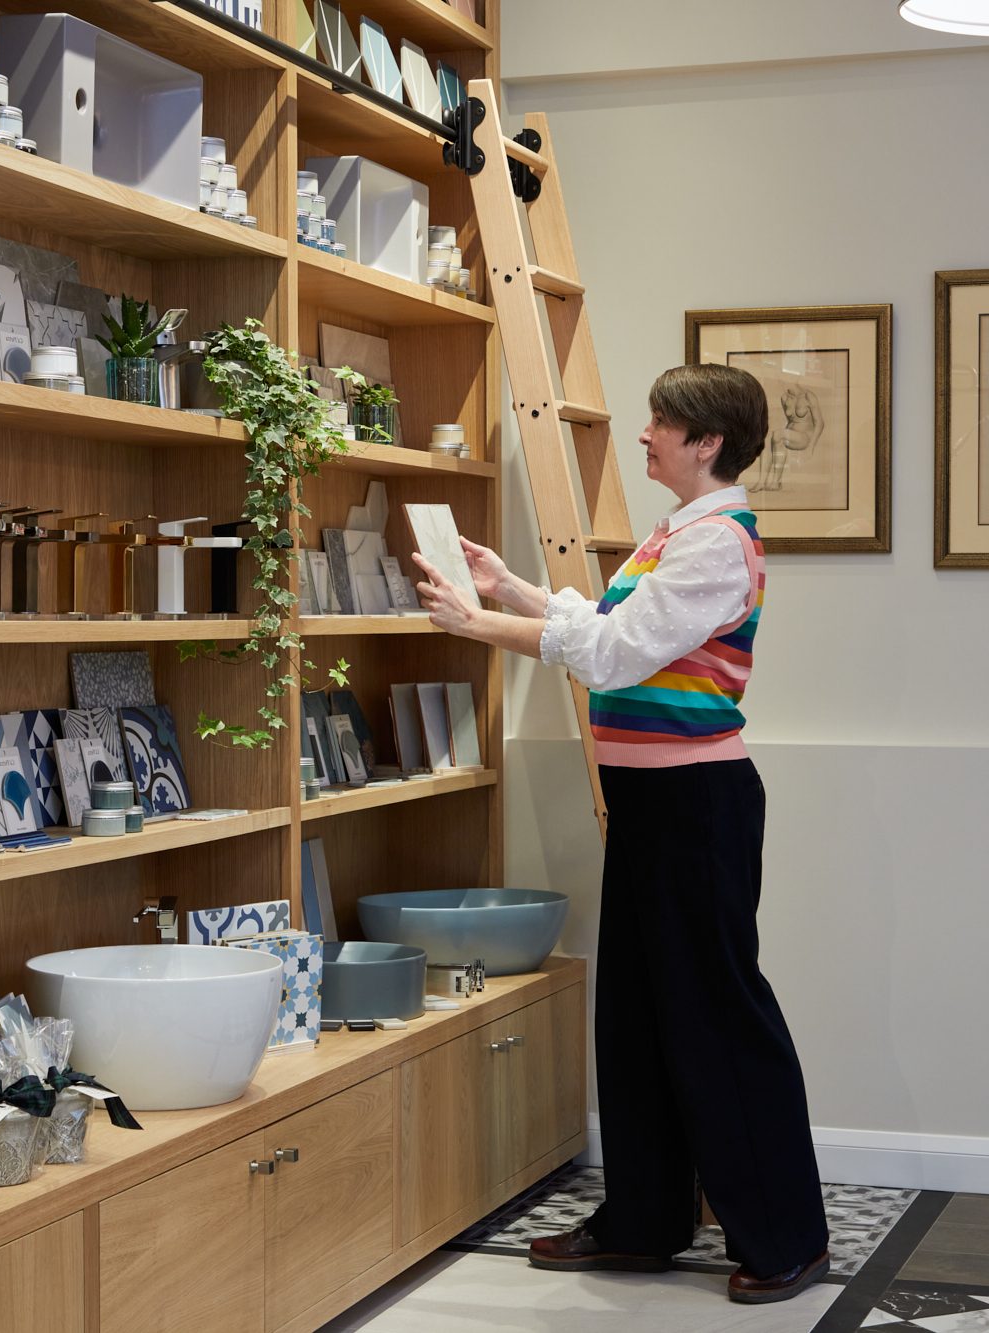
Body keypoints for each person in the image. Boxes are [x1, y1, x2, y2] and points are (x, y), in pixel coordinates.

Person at [409, 363, 831, 1306]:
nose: (644, 435)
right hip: (655, 808)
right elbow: (609, 623)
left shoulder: (717, 543)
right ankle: (643, 1219)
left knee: (719, 1017)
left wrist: (477, 623)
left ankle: (788, 1236)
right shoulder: (678, 535)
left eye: (660, 423)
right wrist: (512, 586)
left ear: (706, 441)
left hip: (698, 809)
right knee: (639, 1015)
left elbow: (607, 657)